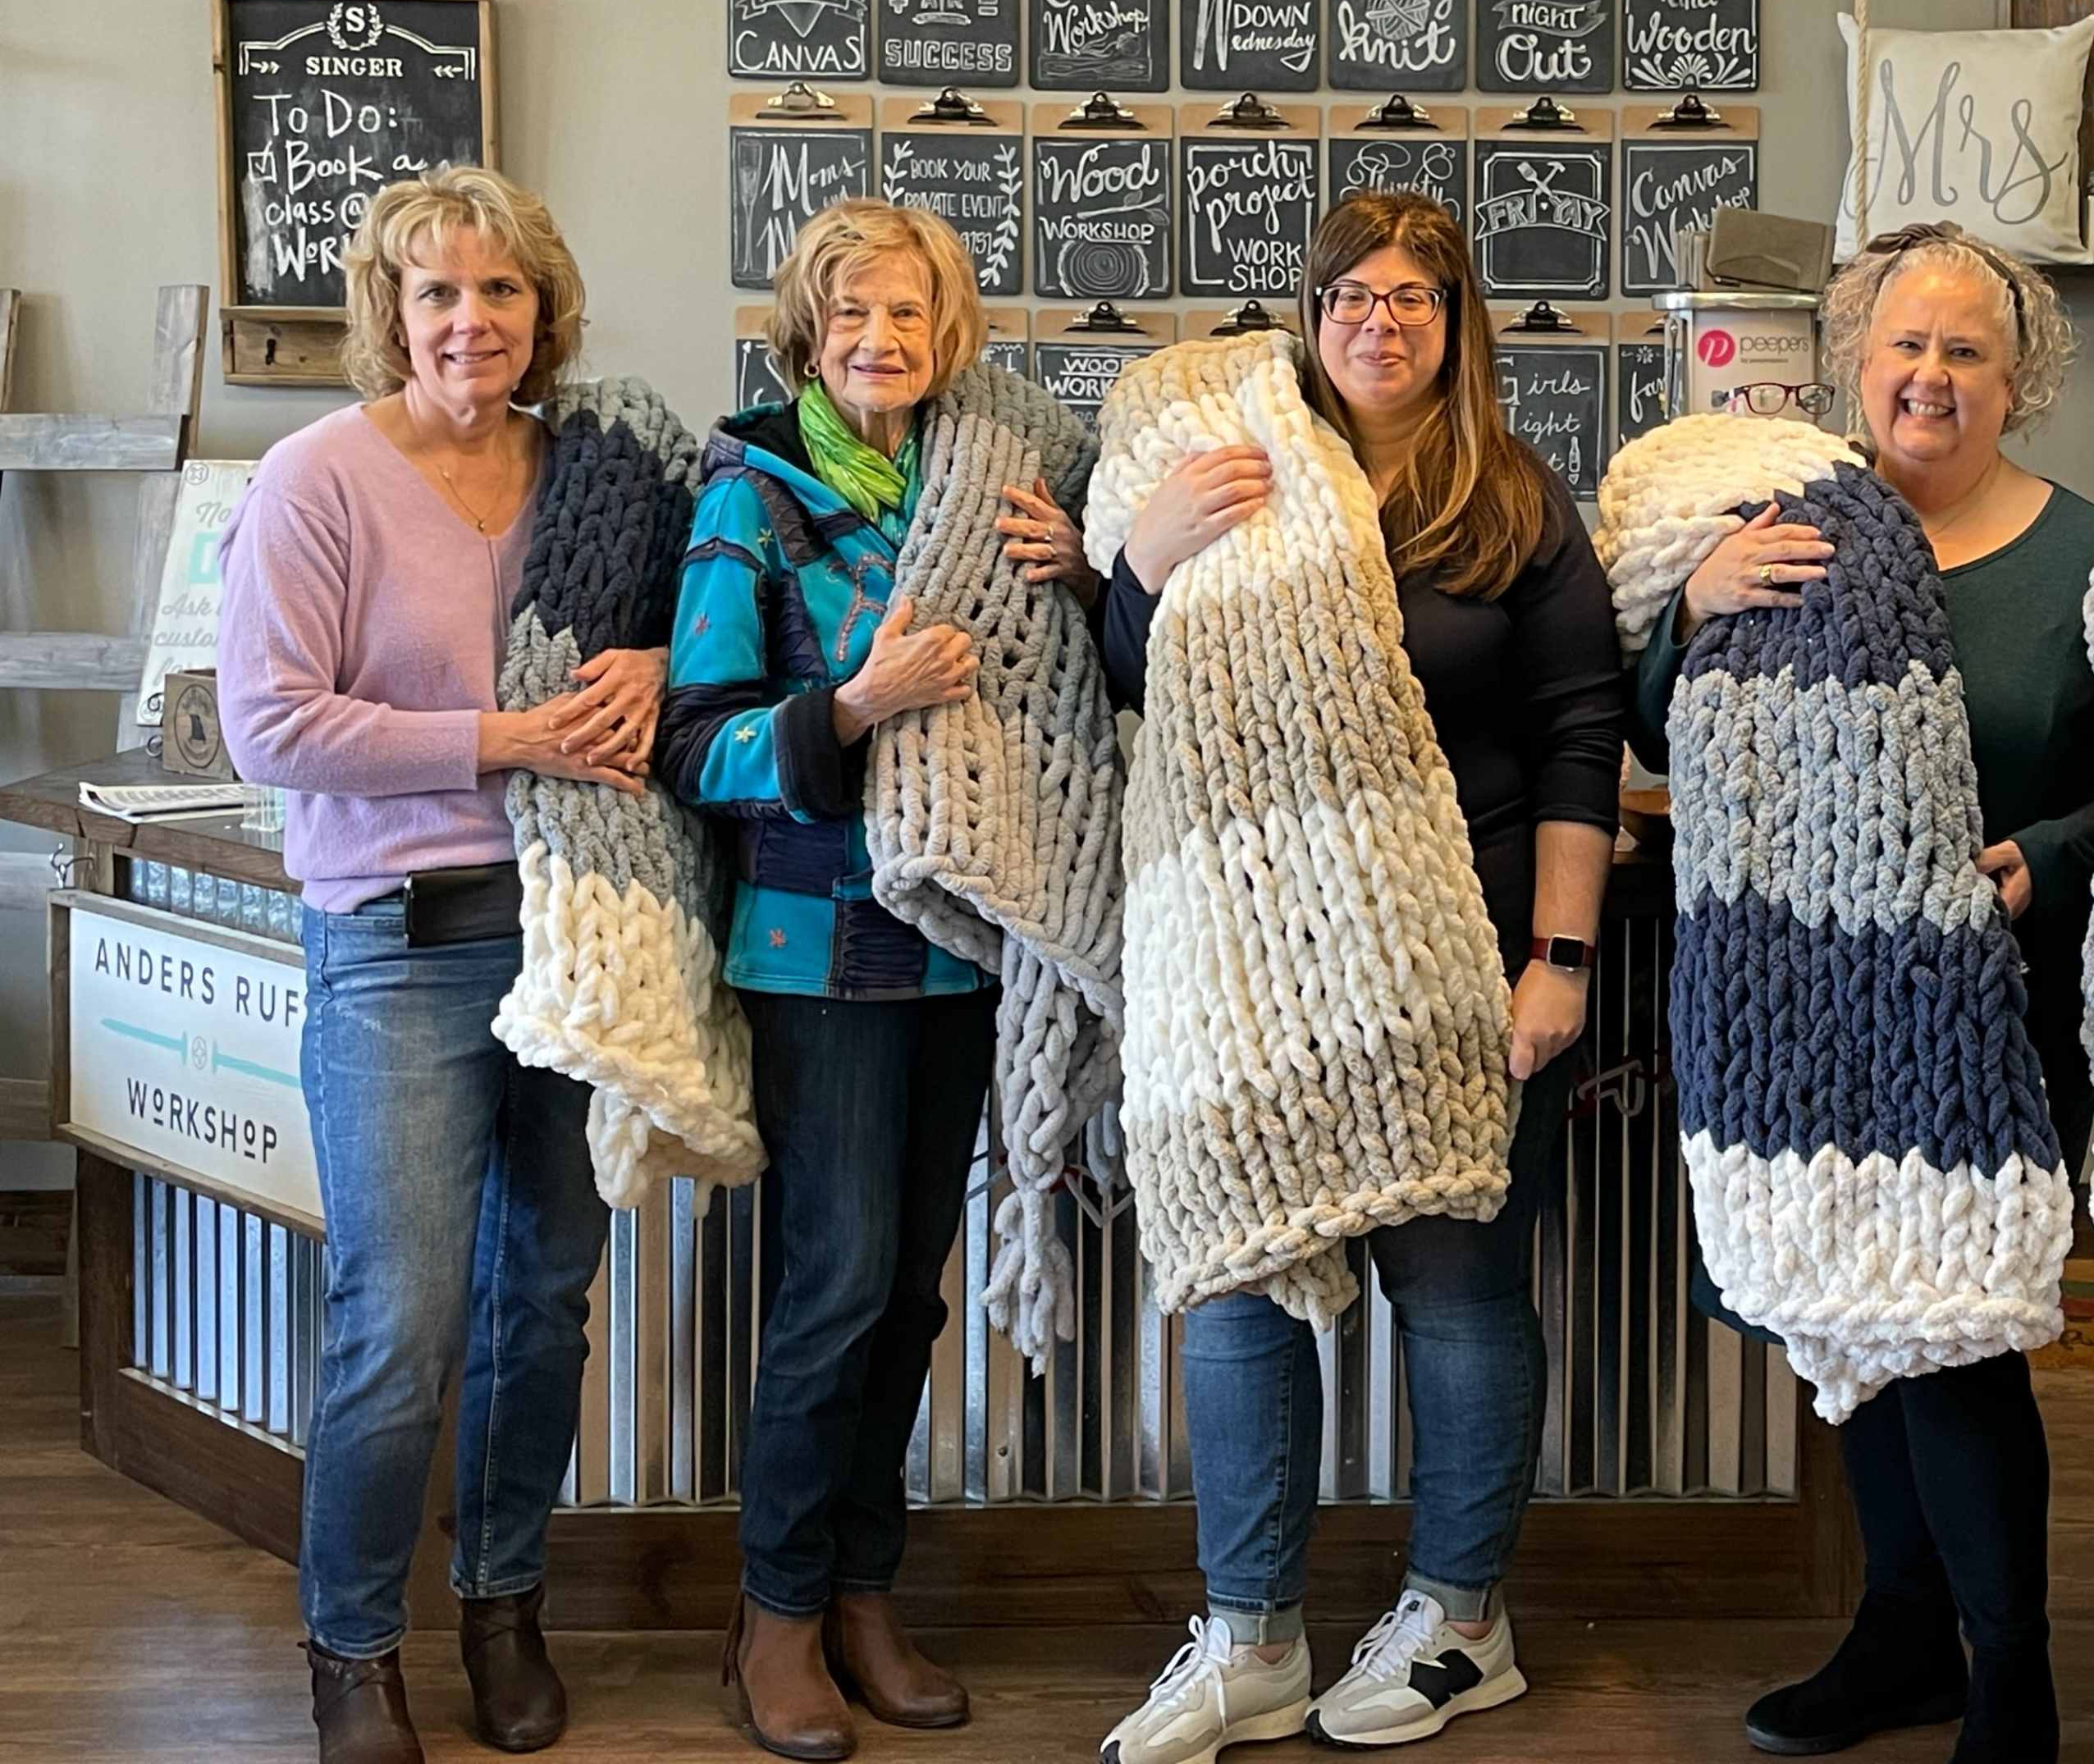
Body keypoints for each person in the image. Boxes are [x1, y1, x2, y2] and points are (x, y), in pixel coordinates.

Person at [1095, 192, 1624, 1762]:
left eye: (1413, 297)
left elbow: (1579, 738)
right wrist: (1142, 555)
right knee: (1242, 1286)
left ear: (1456, 325)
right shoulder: (1228, 465)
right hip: (1255, 970)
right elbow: (1130, 684)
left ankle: (1467, 1622)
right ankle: (1250, 1636)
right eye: (1349, 296)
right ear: (1311, 315)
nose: (1378, 323)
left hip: (1462, 961)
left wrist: (1560, 962)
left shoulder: (1515, 502)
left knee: (1457, 1296)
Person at [1630, 221, 2094, 1764]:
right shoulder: (1778, 526)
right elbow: (1661, 730)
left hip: (2002, 996)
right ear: (1855, 363)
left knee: (1958, 1334)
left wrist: (2047, 855)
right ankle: (1904, 1634)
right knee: (1855, 1324)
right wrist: (1693, 606)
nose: (1930, 376)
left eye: (1966, 351)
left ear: (2018, 379)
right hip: (1802, 999)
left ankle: (2012, 1671)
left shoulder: (2089, 554)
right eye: (1905, 346)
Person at [218, 168, 663, 1764]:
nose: (471, 321)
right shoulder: (317, 477)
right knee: (398, 1321)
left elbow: (697, 627)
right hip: (396, 948)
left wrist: (662, 659)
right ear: (389, 314)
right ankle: (351, 1650)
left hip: (579, 938)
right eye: (437, 294)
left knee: (541, 1305)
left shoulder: (601, 473)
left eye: (501, 293)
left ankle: (504, 1605)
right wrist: (505, 736)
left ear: (544, 313)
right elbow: (270, 724)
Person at [656, 201, 1090, 1762]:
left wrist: (1089, 574)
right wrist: (852, 706)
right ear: (807, 332)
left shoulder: (996, 485)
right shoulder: (752, 490)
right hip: (814, 948)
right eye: (851, 319)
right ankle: (771, 1617)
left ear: (946, 330)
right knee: (833, 1286)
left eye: (906, 316)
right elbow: (695, 739)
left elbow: (1076, 690)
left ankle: (863, 1594)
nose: (880, 343)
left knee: (912, 1288)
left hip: (966, 941)